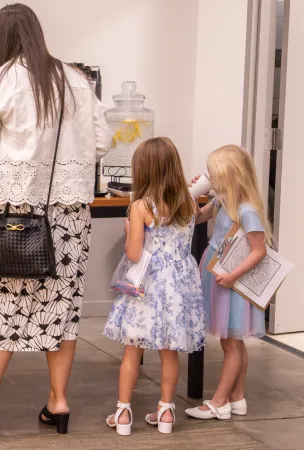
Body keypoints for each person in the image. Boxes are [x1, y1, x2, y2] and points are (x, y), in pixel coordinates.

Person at [0, 3, 111, 436]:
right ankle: (58, 402)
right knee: (63, 309)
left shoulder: (1, 80)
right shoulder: (76, 78)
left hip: (15, 217)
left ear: (1, 39)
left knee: (4, 308)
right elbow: (102, 141)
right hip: (71, 217)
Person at [102, 137, 205, 435]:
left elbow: (134, 254)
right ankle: (165, 413)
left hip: (146, 286)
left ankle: (122, 414)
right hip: (178, 287)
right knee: (169, 350)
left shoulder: (140, 206)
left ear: (142, 170)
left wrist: (128, 231)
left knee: (133, 349)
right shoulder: (189, 202)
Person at [185, 145, 271, 420]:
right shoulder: (222, 202)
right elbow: (195, 218)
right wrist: (191, 195)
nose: (210, 177)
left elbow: (259, 250)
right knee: (233, 341)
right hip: (217, 268)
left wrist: (233, 275)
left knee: (230, 342)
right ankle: (237, 397)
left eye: (214, 173)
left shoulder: (247, 211)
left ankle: (220, 401)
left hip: (231, 276)